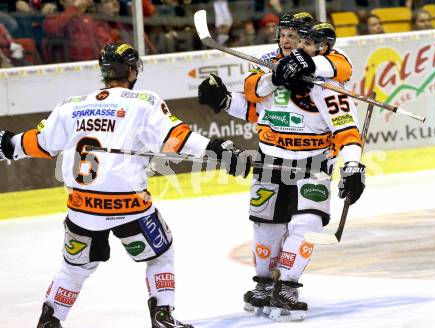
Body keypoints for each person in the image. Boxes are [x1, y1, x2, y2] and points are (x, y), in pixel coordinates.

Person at [0, 42, 251, 328]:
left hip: (82, 207)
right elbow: (176, 138)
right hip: (129, 206)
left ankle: (49, 321)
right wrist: (216, 149)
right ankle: (162, 316)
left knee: (73, 270)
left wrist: (8, 144)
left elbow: (40, 143)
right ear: (131, 71)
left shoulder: (71, 106)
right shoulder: (143, 102)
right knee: (161, 255)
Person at [198, 21, 366, 321]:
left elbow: (347, 130)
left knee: (307, 225)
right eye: (288, 37)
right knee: (266, 229)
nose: (293, 43)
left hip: (312, 164)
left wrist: (353, 165)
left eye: (301, 40)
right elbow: (253, 106)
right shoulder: (271, 66)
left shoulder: (329, 82)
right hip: (270, 162)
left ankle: (287, 286)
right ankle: (264, 284)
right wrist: (226, 100)